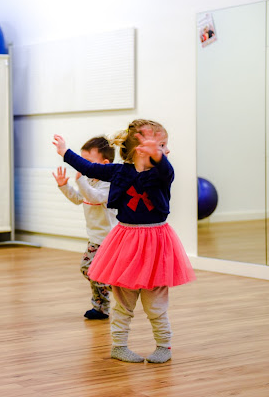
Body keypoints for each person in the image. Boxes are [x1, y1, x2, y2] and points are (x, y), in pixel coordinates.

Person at [52, 119, 195, 364]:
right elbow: (90, 168)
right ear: (140, 149)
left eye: (163, 146)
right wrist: (65, 151)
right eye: (161, 145)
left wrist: (158, 156)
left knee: (156, 304)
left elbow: (167, 170)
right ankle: (119, 346)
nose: (166, 151)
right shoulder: (118, 172)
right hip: (126, 240)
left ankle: (164, 346)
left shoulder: (162, 174)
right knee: (123, 302)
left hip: (155, 241)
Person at [52, 136, 116, 320]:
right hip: (95, 238)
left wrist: (81, 182)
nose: (83, 166)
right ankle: (101, 308)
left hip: (109, 240)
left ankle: (124, 289)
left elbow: (95, 197)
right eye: (82, 161)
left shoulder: (109, 183)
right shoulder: (90, 181)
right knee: (89, 271)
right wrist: (64, 186)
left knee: (91, 270)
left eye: (87, 162)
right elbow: (78, 198)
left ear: (105, 164)